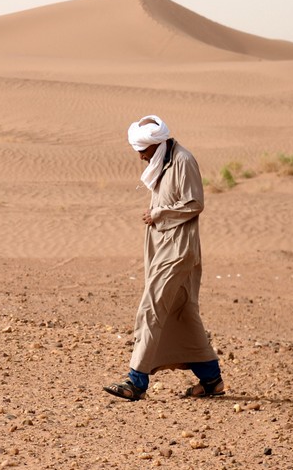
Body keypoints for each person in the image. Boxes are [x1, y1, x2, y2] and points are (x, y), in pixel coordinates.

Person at [103, 115, 224, 401]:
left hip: (179, 250)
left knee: (151, 308)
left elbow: (195, 203)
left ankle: (136, 382)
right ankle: (211, 380)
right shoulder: (164, 161)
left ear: (157, 144)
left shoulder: (183, 160)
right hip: (163, 248)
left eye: (143, 151)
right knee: (182, 314)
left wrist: (159, 214)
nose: (141, 158)